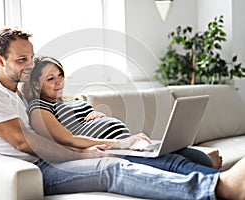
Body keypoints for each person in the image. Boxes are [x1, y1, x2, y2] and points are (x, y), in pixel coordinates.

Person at [0, 26, 245, 200]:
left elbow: (50, 131)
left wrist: (93, 133)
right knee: (111, 167)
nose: (30, 66)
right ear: (0, 61)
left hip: (49, 160)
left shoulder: (18, 95)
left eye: (31, 57)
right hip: (39, 168)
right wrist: (84, 154)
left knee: (147, 152)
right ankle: (217, 188)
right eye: (21, 60)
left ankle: (214, 178)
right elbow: (23, 143)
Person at [22, 55, 221, 175]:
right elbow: (68, 139)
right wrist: (120, 144)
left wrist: (95, 113)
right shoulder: (39, 108)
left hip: (127, 143)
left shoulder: (69, 101)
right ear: (37, 84)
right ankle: (222, 184)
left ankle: (211, 169)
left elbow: (80, 123)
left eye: (61, 75)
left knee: (192, 155)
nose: (59, 82)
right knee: (176, 163)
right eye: (50, 78)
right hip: (114, 149)